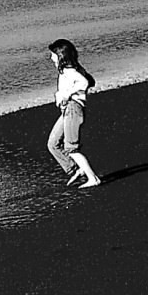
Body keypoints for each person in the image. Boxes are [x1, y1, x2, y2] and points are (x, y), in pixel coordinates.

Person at [46, 39, 101, 188]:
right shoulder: (72, 69)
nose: (51, 58)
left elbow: (84, 83)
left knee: (71, 148)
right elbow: (90, 81)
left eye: (53, 54)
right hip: (68, 110)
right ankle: (76, 169)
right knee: (53, 144)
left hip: (73, 109)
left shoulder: (69, 71)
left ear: (61, 55)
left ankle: (93, 178)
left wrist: (66, 95)